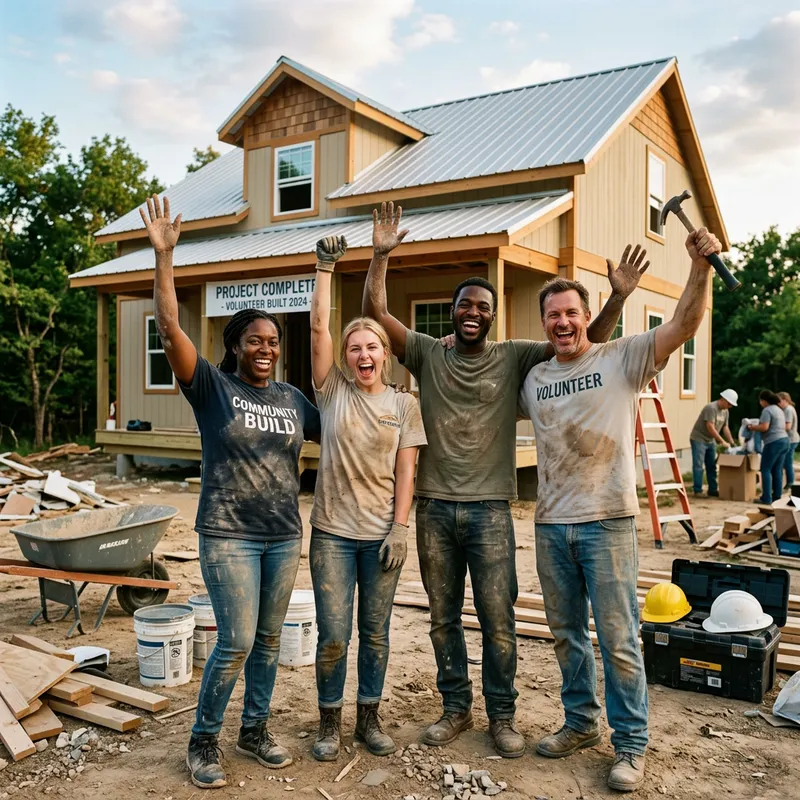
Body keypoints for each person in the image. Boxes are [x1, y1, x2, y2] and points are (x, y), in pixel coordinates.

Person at [362, 202, 644, 758]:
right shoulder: (424, 352)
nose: (473, 311)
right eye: (465, 304)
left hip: (492, 509)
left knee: (498, 619)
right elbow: (375, 312)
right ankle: (455, 708)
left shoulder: (516, 356)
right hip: (434, 509)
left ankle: (502, 716)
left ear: (493, 316)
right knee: (443, 619)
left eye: (483, 306)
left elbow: (580, 349)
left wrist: (615, 297)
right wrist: (380, 255)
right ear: (452, 313)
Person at [519, 227, 723, 792]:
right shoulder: (534, 378)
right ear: (544, 324)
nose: (562, 323)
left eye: (570, 313)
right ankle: (581, 723)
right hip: (551, 524)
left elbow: (683, 325)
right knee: (565, 635)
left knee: (619, 638)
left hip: (608, 522)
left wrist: (700, 267)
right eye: (552, 316)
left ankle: (630, 744)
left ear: (587, 316)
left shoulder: (624, 357)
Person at [138, 195, 321, 790]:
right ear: (237, 345)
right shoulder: (211, 388)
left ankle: (255, 728)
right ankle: (203, 740)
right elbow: (169, 328)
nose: (266, 348)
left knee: (269, 639)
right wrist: (165, 257)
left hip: (283, 536)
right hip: (227, 536)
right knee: (237, 640)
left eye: (273, 341)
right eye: (255, 341)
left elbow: (348, 419)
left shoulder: (294, 400)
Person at [307, 235, 427, 762]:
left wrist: (401, 527)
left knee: (374, 634)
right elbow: (316, 328)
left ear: (384, 353)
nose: (362, 354)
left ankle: (369, 719)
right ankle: (329, 721)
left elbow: (407, 470)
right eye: (354, 346)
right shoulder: (331, 391)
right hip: (332, 533)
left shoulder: (403, 404)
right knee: (334, 636)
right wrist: (326, 268)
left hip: (380, 537)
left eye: (371, 346)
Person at [688, 389, 737, 496]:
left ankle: (713, 490)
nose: (730, 406)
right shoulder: (711, 408)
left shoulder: (725, 411)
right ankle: (698, 490)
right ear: (723, 399)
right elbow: (710, 426)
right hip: (698, 439)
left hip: (710, 440)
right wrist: (721, 441)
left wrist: (731, 441)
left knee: (711, 465)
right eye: (729, 404)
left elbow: (725, 427)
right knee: (698, 465)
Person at [748, 390, 790, 504]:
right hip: (785, 440)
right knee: (777, 470)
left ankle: (766, 498)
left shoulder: (767, 410)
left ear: (764, 401)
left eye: (760, 401)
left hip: (773, 442)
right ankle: (777, 496)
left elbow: (764, 427)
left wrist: (752, 427)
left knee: (765, 469)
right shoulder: (779, 410)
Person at [778, 392, 799, 490]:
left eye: (779, 401)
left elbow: (788, 426)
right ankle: (790, 483)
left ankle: (790, 483)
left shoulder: (788, 410)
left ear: (785, 399)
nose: (778, 403)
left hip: (791, 440)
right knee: (786, 462)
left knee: (787, 462)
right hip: (792, 439)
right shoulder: (789, 409)